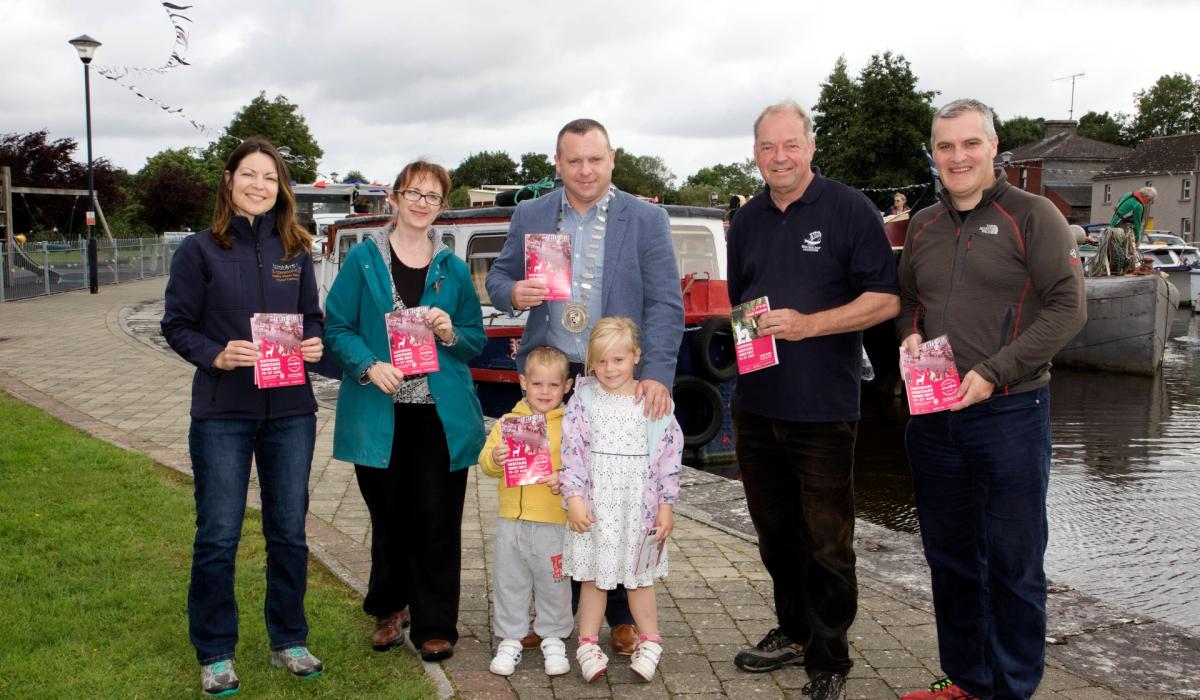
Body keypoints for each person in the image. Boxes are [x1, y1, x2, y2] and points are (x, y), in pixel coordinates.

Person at [896, 99, 1086, 700]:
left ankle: (1013, 688)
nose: (957, 157)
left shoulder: (1034, 216)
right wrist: (908, 333)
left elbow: (1068, 307)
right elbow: (907, 299)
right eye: (945, 146)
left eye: (969, 144)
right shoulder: (922, 224)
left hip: (1010, 413)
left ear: (993, 146)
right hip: (934, 416)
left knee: (1014, 563)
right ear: (935, 153)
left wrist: (996, 372)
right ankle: (969, 681)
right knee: (950, 560)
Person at [486, 117, 684, 656]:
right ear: (558, 163)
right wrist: (515, 293)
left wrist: (657, 375)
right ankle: (555, 615)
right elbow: (496, 279)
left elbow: (666, 303)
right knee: (554, 495)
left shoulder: (645, 218)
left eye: (595, 159)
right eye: (574, 161)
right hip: (549, 376)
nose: (585, 170)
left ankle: (619, 616)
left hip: (616, 379)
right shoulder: (530, 213)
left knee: (619, 492)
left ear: (612, 158)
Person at [726, 100, 900, 700]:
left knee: (828, 543)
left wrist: (810, 325)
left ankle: (830, 659)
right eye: (768, 147)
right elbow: (741, 301)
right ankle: (794, 632)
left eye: (791, 145)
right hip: (757, 405)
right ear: (755, 154)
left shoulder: (850, 209)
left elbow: (885, 299)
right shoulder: (744, 220)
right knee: (777, 536)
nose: (780, 157)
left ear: (811, 147)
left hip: (824, 410)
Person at [161, 137, 326, 697]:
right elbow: (176, 325)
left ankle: (289, 639)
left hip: (291, 412)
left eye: (270, 177)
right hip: (221, 414)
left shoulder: (295, 249)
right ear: (229, 180)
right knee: (218, 535)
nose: (259, 185)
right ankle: (214, 651)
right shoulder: (199, 249)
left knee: (288, 531)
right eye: (249, 174)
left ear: (281, 188)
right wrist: (215, 354)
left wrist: (315, 344)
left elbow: (313, 318)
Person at [323, 160, 486, 662]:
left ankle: (435, 623)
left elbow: (474, 342)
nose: (421, 202)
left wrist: (448, 332)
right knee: (390, 516)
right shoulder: (363, 261)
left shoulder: (453, 269)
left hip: (439, 415)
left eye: (432, 196)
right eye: (413, 192)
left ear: (441, 207)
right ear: (393, 198)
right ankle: (390, 606)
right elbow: (336, 327)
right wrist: (369, 365)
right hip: (380, 412)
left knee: (438, 518)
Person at [559, 317, 682, 683]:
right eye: (602, 361)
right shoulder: (583, 400)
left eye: (619, 360)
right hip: (597, 507)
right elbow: (572, 452)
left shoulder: (652, 402)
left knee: (640, 577)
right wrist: (574, 499)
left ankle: (651, 641)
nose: (610, 369)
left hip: (638, 508)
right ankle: (587, 642)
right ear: (591, 362)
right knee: (593, 577)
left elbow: (668, 456)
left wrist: (666, 506)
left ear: (636, 357)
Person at [477, 345, 575, 678]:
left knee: (554, 582)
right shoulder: (508, 423)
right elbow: (485, 464)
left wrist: (562, 477)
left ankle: (554, 637)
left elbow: (582, 469)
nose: (545, 392)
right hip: (512, 522)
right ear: (523, 382)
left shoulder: (572, 426)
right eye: (537, 384)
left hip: (553, 522)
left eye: (553, 385)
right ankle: (511, 638)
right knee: (509, 581)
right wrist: (497, 458)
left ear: (568, 386)